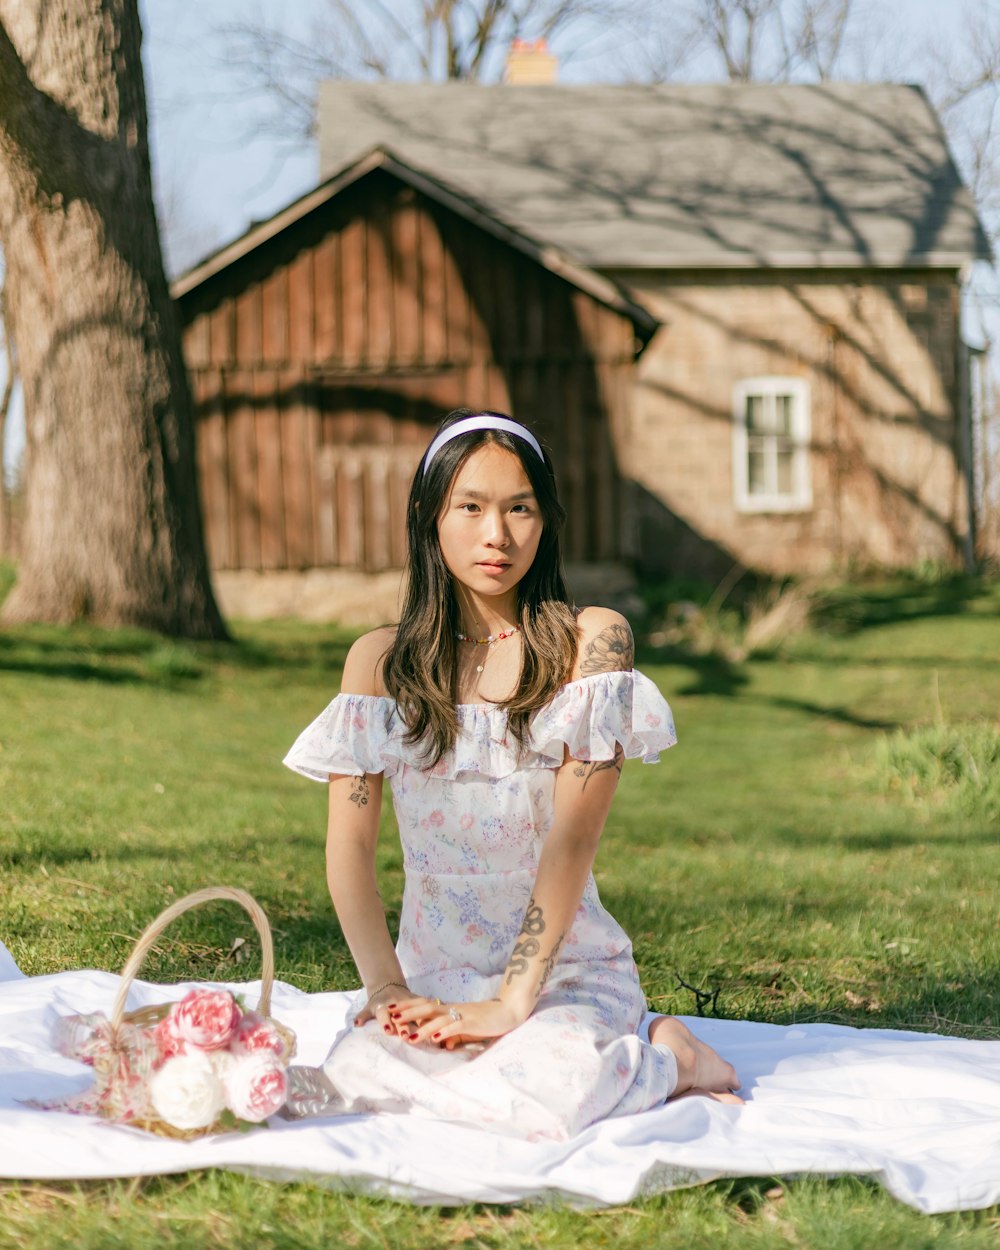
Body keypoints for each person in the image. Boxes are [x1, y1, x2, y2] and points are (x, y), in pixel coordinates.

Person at [283, 410, 740, 1140]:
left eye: (519, 507)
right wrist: (387, 989)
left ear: (546, 519)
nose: (497, 534)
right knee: (356, 1079)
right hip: (435, 975)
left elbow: (572, 840)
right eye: (470, 506)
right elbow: (349, 853)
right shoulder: (379, 663)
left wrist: (510, 1004)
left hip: (563, 973)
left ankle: (672, 1057)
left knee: (551, 1093)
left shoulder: (592, 643)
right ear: (430, 517)